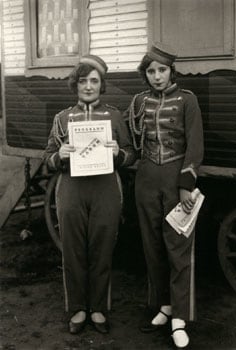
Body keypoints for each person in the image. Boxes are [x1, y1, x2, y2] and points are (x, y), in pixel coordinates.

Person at [44, 55, 136, 335]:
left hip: (106, 188)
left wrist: (117, 153)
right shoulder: (62, 118)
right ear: (75, 84)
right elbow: (47, 157)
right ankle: (78, 309)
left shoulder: (114, 116)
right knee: (72, 251)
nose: (88, 86)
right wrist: (58, 155)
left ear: (101, 84)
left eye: (94, 81)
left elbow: (131, 154)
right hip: (71, 188)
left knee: (102, 248)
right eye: (83, 80)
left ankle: (97, 308)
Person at [126, 42, 204, 349]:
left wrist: (186, 182)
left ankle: (180, 318)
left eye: (162, 70)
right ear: (145, 74)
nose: (156, 76)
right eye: (151, 71)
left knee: (178, 249)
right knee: (153, 246)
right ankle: (164, 306)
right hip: (146, 179)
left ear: (171, 71)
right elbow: (129, 137)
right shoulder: (138, 102)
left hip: (175, 180)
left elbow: (195, 146)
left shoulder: (187, 100)